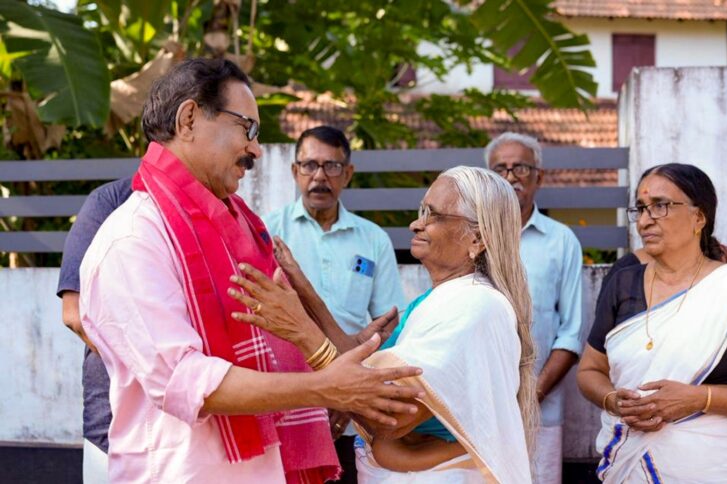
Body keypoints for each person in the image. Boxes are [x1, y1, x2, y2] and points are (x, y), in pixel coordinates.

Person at [78, 58, 424, 483]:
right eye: (248, 128)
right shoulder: (134, 239)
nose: (256, 150)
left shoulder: (239, 232)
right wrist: (325, 388)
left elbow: (280, 343)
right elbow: (184, 380)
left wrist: (333, 365)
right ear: (189, 119)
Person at [231, 166, 537, 482]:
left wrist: (302, 331)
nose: (416, 224)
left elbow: (389, 415)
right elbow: (356, 362)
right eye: (422, 211)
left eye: (434, 215)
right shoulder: (439, 300)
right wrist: (301, 288)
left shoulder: (474, 306)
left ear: (477, 237)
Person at [577, 163, 727, 483]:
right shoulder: (623, 284)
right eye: (641, 208)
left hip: (716, 467)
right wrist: (614, 401)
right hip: (631, 463)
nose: (646, 219)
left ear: (699, 217)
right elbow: (589, 370)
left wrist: (698, 399)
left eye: (660, 206)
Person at [264, 126, 407, 482]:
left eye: (331, 166)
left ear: (348, 173)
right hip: (288, 400)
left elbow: (389, 325)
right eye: (309, 165)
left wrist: (349, 397)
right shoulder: (268, 233)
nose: (319, 177)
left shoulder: (373, 239)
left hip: (352, 414)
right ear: (294, 171)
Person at [485, 132, 582, 483]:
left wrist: (530, 396)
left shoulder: (562, 241)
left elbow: (571, 335)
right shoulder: (472, 237)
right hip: (481, 405)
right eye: (501, 169)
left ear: (538, 177)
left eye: (521, 168)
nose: (510, 176)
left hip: (542, 410)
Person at [57, 177, 133, 483]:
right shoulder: (111, 201)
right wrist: (149, 369)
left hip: (187, 420)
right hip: (112, 415)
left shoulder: (216, 205)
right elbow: (75, 314)